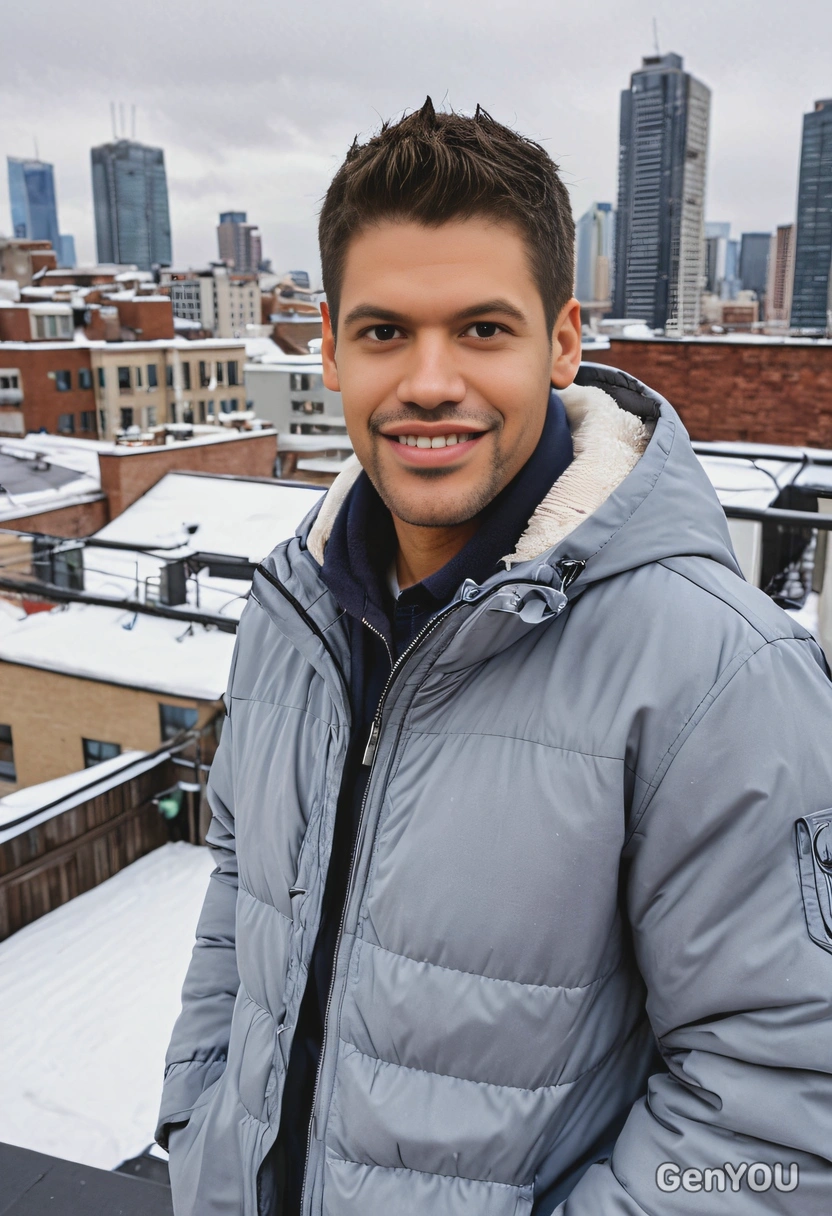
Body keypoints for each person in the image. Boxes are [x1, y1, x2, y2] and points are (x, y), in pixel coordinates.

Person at [157, 99, 832, 1215]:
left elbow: (784, 1119)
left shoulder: (721, 674)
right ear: (326, 348)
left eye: (481, 329)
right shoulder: (292, 607)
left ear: (562, 340)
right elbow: (240, 892)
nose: (429, 381)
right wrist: (200, 1129)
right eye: (384, 332)